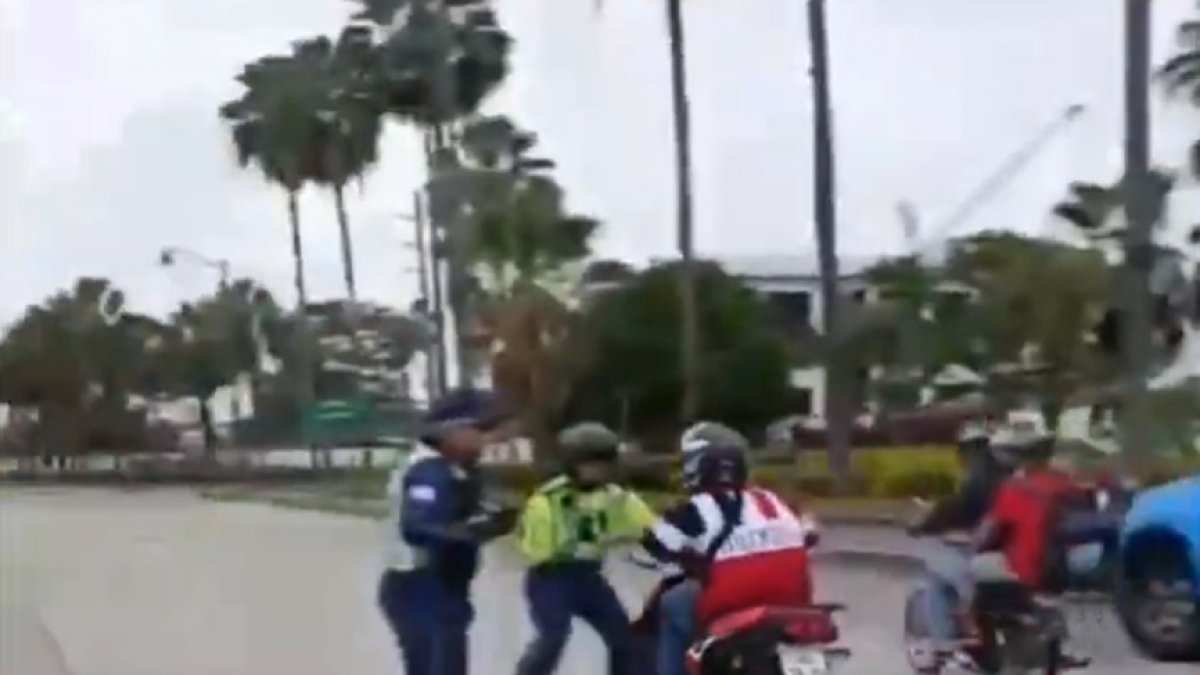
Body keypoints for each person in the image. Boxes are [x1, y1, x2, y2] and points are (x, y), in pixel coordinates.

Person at [640, 421, 818, 675]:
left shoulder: (697, 508)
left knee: (670, 604)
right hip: (791, 602)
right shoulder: (773, 500)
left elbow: (656, 541)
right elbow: (811, 535)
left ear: (694, 466)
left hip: (731, 603)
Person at [377, 388, 519, 675]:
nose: (491, 440)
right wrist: (476, 531)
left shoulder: (455, 468)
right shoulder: (429, 471)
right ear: (450, 430)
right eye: (482, 430)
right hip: (419, 587)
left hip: (441, 586)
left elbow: (461, 514)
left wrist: (493, 521)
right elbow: (417, 528)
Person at [512, 422, 657, 675]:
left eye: (603, 465)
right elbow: (536, 550)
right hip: (551, 578)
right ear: (571, 465)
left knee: (625, 637)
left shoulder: (616, 497)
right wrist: (585, 539)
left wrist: (655, 541)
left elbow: (650, 526)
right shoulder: (548, 500)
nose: (597, 473)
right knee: (553, 637)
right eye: (589, 466)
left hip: (589, 578)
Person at [905, 420, 1015, 663]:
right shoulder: (1010, 474)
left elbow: (958, 507)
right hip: (1012, 550)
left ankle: (944, 642)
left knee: (937, 574)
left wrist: (924, 525)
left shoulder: (978, 476)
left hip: (988, 550)